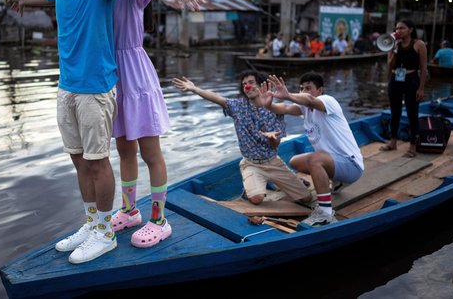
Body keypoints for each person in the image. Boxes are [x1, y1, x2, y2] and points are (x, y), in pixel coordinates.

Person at [0, 0, 219, 264]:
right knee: (124, 151)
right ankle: (130, 211)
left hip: (132, 73)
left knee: (150, 152)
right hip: (108, 74)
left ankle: (159, 219)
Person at [172, 70, 313, 207]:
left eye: (251, 82)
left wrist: (272, 138)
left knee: (306, 198)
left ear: (261, 85)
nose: (247, 86)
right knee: (256, 199)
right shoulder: (237, 106)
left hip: (272, 162)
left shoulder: (274, 109)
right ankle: (252, 187)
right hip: (250, 163)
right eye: (244, 83)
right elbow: (216, 98)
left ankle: (285, 181)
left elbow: (275, 145)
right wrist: (194, 89)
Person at [259, 72, 364, 226]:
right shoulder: (304, 109)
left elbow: (308, 99)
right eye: (301, 88)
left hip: (351, 165)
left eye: (308, 88)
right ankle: (337, 181)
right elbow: (283, 109)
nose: (304, 92)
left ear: (320, 90)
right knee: (295, 162)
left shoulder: (328, 101)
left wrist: (287, 95)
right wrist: (268, 104)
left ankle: (325, 213)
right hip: (335, 163)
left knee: (315, 159)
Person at [381, 18, 427, 158]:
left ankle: (413, 146)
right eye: (397, 28)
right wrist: (394, 49)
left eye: (402, 28)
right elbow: (390, 65)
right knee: (395, 112)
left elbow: (424, 68)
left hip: (411, 80)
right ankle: (393, 142)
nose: (398, 31)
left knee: (413, 113)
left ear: (410, 30)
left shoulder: (418, 44)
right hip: (395, 80)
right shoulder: (393, 44)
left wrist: (421, 88)